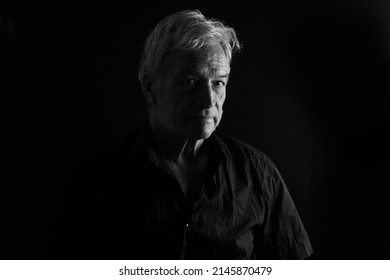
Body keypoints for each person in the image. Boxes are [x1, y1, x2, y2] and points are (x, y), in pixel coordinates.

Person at [52, 9, 313, 260]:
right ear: (149, 86)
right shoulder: (100, 179)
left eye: (218, 83)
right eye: (189, 81)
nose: (208, 99)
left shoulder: (259, 175)